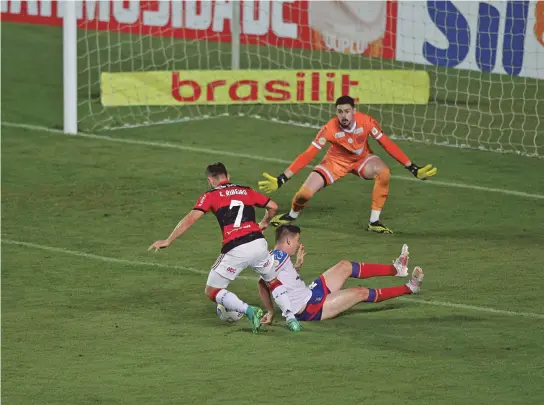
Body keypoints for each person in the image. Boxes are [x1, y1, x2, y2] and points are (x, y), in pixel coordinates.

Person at [149, 163, 302, 333]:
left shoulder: (210, 195)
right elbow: (273, 206)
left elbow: (191, 218)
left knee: (212, 290)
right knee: (272, 280)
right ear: (227, 175)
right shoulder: (245, 190)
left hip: (236, 248)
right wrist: (264, 223)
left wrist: (169, 240)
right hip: (258, 244)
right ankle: (291, 319)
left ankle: (249, 311)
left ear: (210, 180)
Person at [258, 95, 437, 234]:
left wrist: (413, 167)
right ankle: (291, 215)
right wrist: (282, 178)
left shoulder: (367, 122)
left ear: (354, 111)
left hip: (362, 160)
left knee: (384, 172)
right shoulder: (329, 129)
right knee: (303, 195)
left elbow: (387, 144)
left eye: (347, 111)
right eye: (340, 112)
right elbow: (308, 154)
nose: (343, 116)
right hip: (334, 163)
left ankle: (374, 222)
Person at [257, 225, 424, 323]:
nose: (298, 244)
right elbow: (263, 281)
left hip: (310, 293)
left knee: (345, 266)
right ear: (288, 241)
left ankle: (396, 269)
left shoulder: (279, 257)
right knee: (360, 292)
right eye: (297, 240)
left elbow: (276, 278)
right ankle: (410, 287)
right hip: (310, 309)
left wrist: (297, 266)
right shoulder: (277, 257)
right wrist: (271, 311)